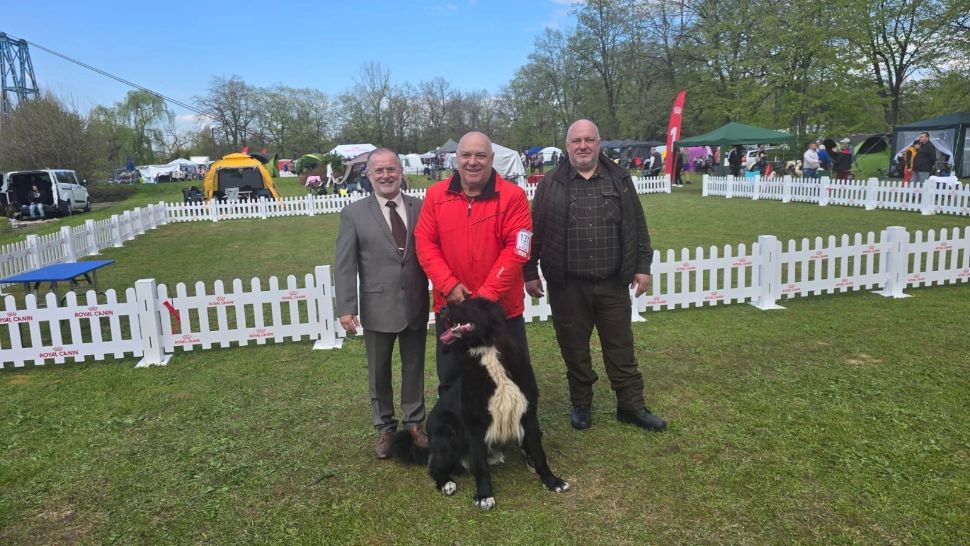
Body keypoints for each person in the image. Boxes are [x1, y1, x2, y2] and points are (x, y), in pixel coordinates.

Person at [524, 119, 667, 433]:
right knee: (574, 349)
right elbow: (534, 231)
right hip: (567, 285)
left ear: (599, 143)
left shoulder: (620, 178)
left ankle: (631, 406)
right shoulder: (551, 183)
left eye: (589, 140)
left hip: (613, 282)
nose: (583, 146)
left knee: (621, 348)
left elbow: (637, 226)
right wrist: (529, 270)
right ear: (567, 146)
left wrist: (642, 267)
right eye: (576, 141)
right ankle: (581, 405)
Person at [414, 131, 533, 397]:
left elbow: (518, 249)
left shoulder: (513, 197)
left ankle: (510, 434)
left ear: (492, 159)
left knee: (510, 376)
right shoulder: (435, 196)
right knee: (453, 379)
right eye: (466, 155)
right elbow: (425, 242)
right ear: (456, 159)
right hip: (452, 306)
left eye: (480, 155)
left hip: (502, 309)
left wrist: (485, 299)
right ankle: (459, 435)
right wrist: (449, 284)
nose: (473, 162)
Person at [334, 148, 430, 459]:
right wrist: (346, 307)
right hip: (377, 306)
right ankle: (385, 428)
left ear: (401, 172)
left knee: (414, 366)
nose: (386, 175)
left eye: (391, 169)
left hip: (415, 301)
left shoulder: (422, 207)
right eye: (379, 171)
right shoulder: (354, 214)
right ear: (369, 175)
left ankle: (415, 423)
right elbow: (345, 264)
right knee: (379, 371)